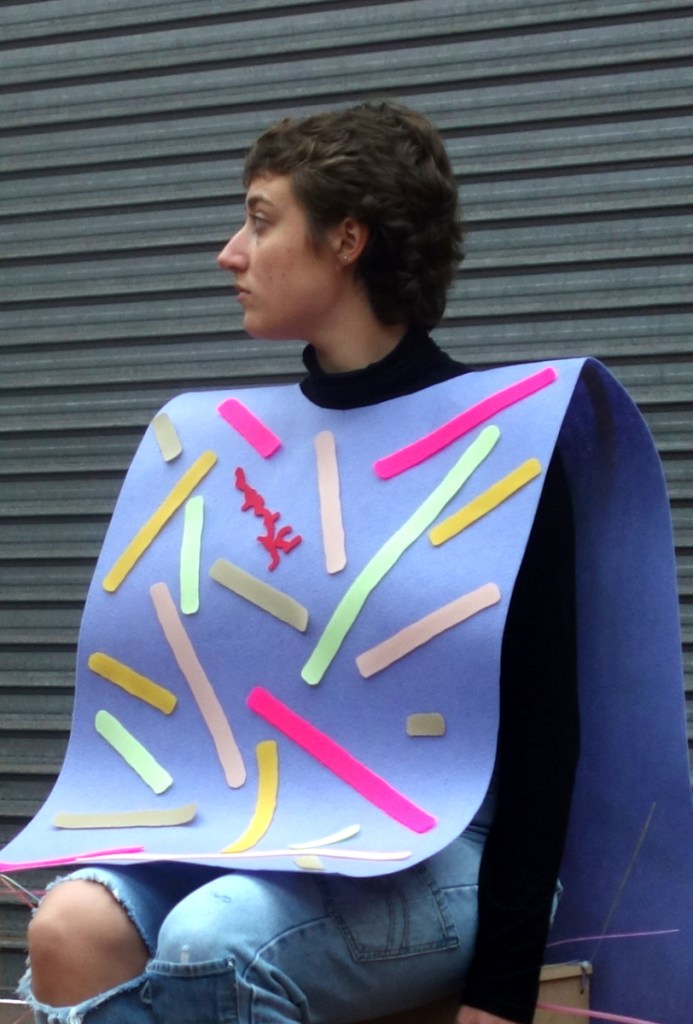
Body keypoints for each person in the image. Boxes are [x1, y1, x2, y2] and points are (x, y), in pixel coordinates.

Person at [23, 101, 579, 1024]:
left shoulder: (499, 447)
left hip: (445, 845)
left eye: (260, 219)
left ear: (347, 240)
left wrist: (502, 987)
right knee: (69, 928)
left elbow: (544, 728)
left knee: (213, 941)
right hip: (261, 830)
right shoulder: (224, 452)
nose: (229, 253)